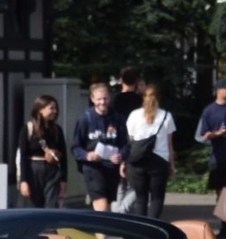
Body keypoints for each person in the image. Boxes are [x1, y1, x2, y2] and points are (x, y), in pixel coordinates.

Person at [124, 82, 176, 219]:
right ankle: (152, 232)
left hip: (138, 161)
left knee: (141, 198)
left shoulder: (134, 115)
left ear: (142, 97)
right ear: (158, 97)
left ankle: (141, 232)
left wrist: (124, 163)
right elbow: (169, 144)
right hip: (159, 161)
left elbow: (130, 141)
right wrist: (172, 164)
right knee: (157, 198)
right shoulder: (166, 116)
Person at [73, 82, 127, 212]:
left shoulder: (118, 118)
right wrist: (87, 155)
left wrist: (121, 155)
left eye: (105, 98)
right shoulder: (85, 119)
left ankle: (101, 231)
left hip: (111, 168)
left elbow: (125, 144)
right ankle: (102, 232)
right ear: (92, 99)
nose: (102, 102)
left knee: (107, 207)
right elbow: (75, 147)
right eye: (99, 99)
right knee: (101, 205)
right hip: (93, 168)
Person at [196, 83, 226, 224]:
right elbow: (204, 134)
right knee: (221, 193)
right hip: (219, 156)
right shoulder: (209, 110)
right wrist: (218, 134)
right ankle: (225, 226)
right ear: (218, 90)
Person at [15, 95, 67, 209]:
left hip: (52, 172)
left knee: (51, 207)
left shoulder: (57, 130)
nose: (55, 111)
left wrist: (63, 180)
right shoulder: (27, 128)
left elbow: (64, 157)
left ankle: (50, 228)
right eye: (51, 108)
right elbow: (23, 156)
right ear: (40, 109)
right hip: (32, 171)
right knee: (30, 208)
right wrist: (23, 181)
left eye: (55, 108)